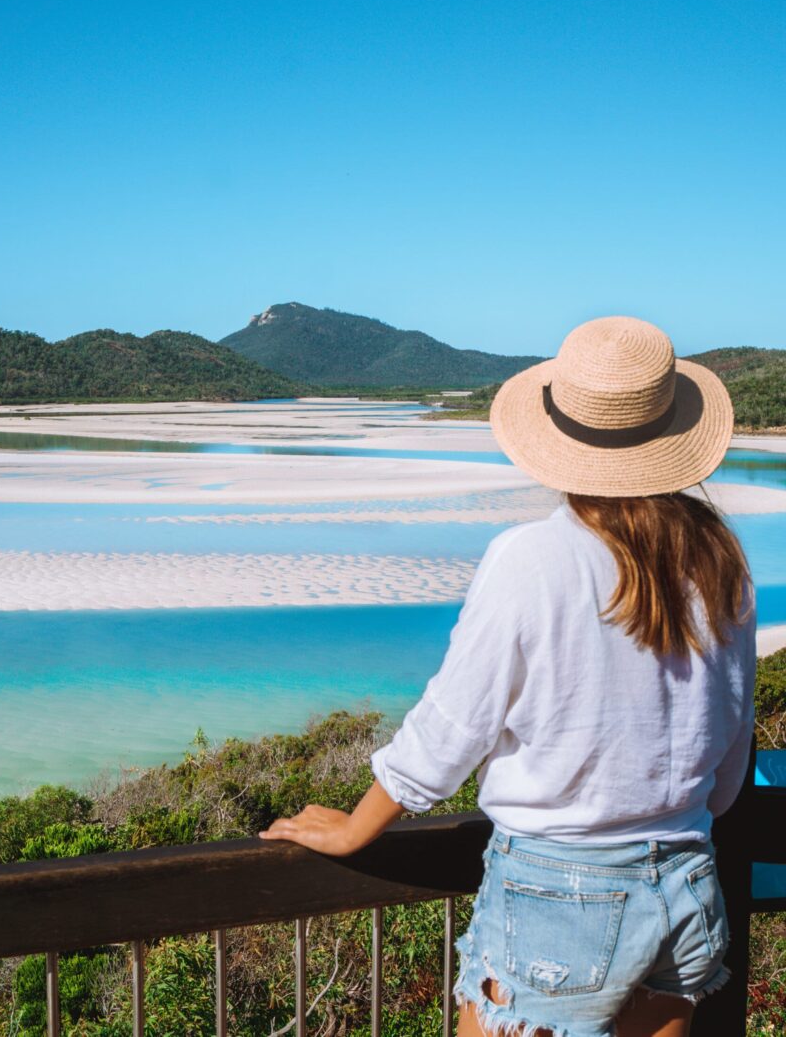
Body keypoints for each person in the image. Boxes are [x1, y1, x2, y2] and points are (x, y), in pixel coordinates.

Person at [259, 316, 757, 1037]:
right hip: (685, 878)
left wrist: (356, 829)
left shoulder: (533, 559)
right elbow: (729, 762)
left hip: (559, 896)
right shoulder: (721, 563)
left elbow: (453, 725)